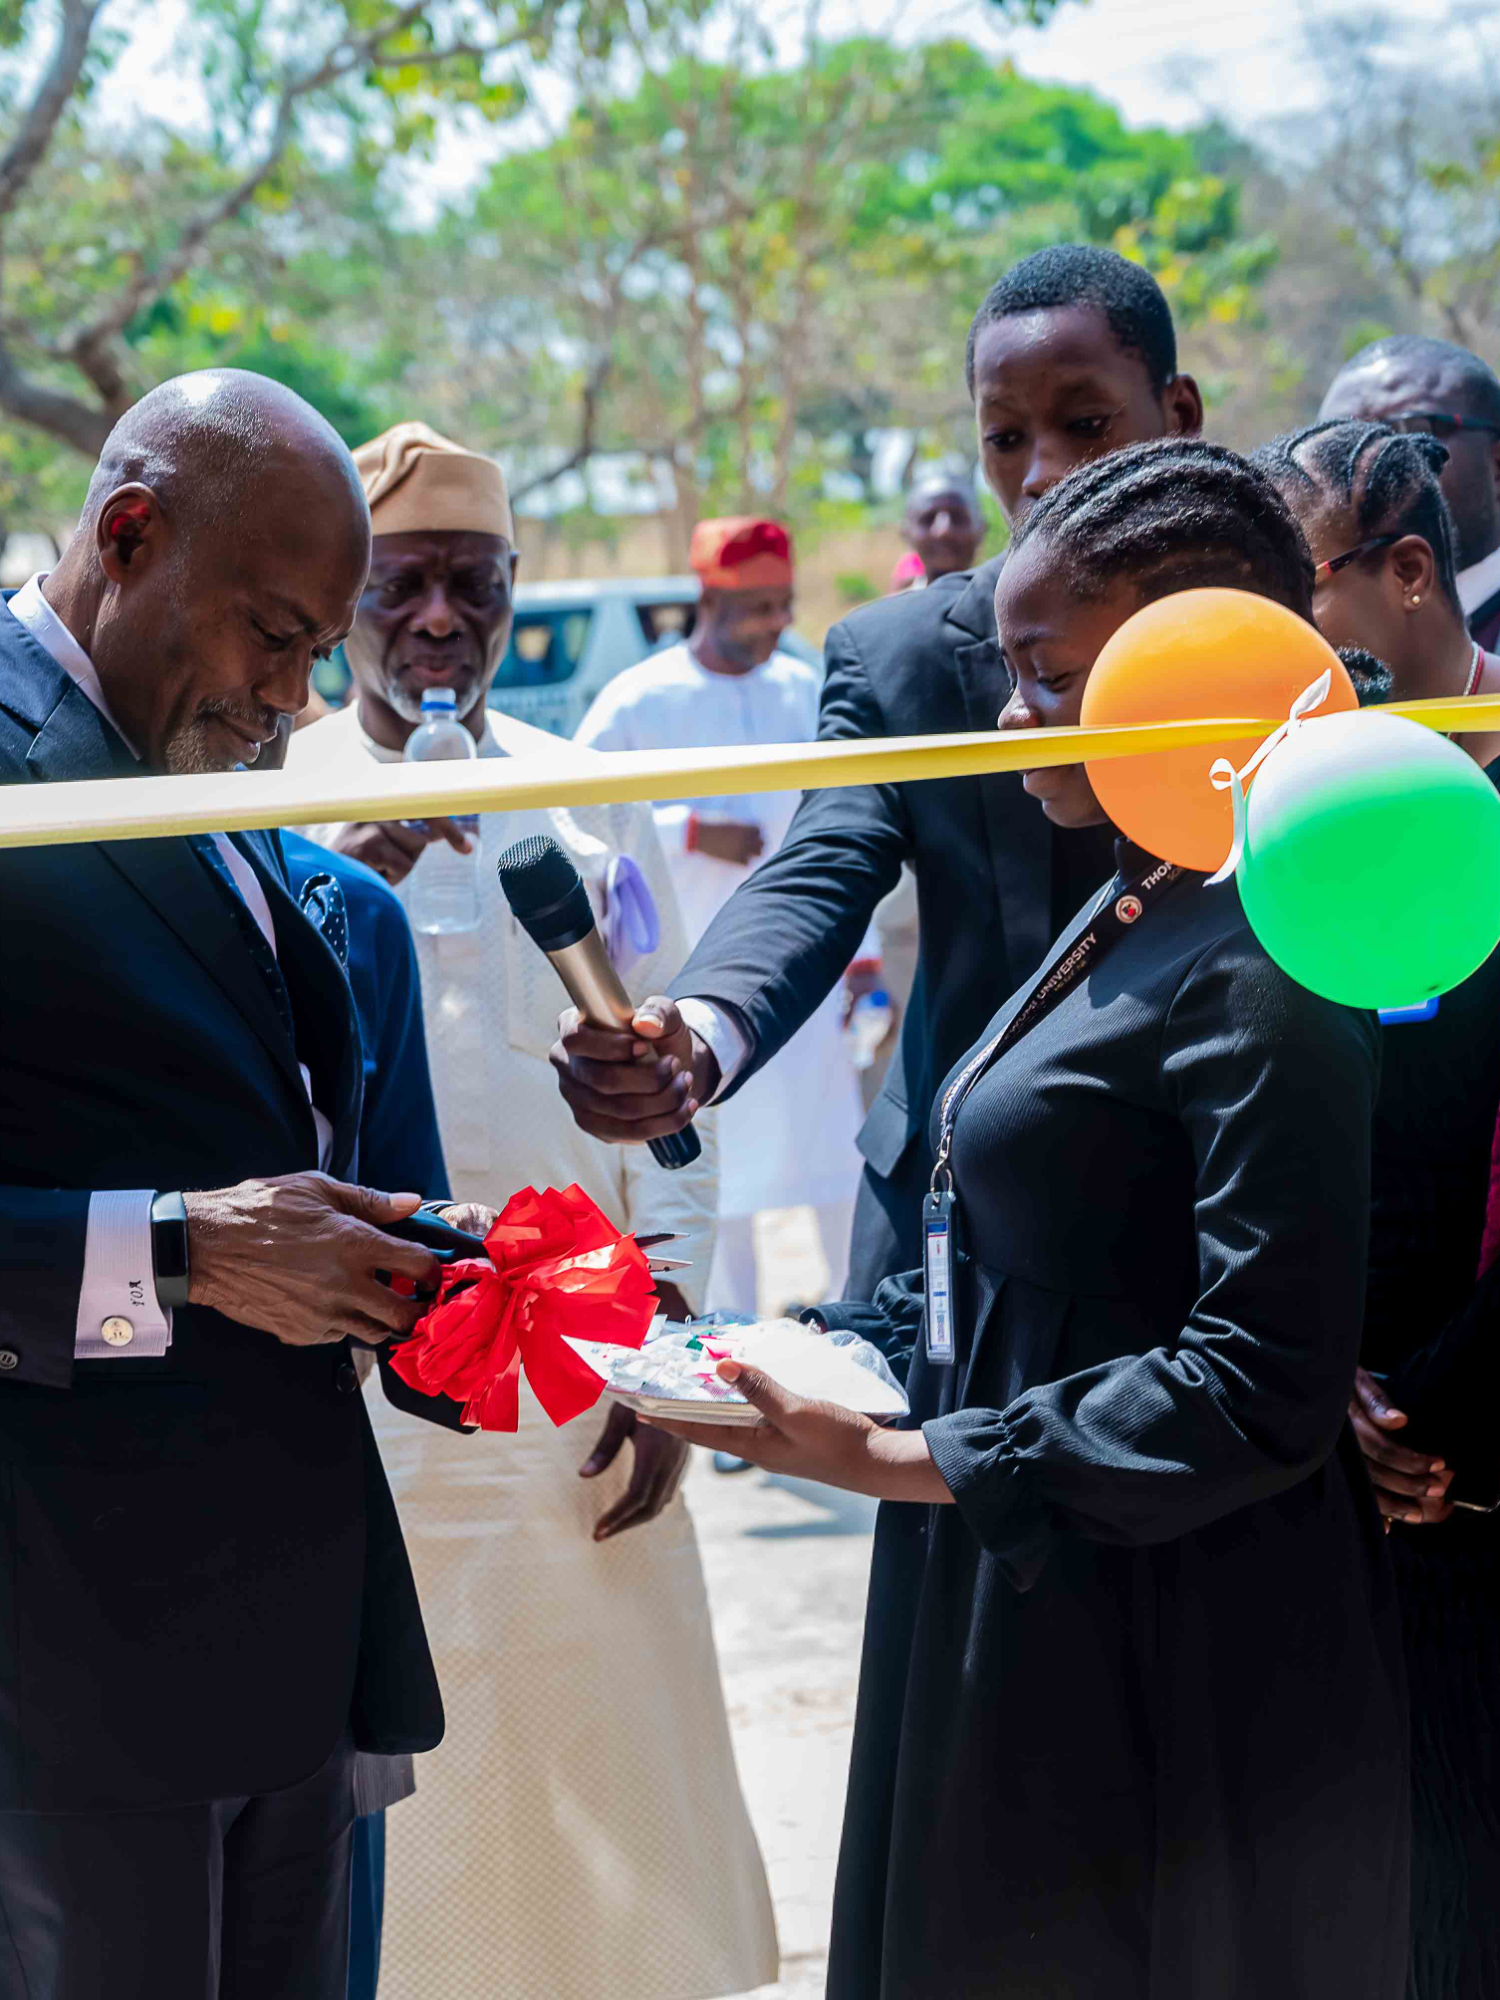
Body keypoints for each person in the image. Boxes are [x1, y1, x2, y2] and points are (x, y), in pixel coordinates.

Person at [640, 438, 1409, 2000]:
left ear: (1192, 665)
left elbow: (1258, 1382)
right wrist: (779, 1362)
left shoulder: (1267, 955)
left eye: (1047, 681)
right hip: (1022, 1580)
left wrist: (898, 1459)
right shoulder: (1131, 895)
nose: (1006, 724)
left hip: (1168, 1656)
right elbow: (1002, 1239)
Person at [285, 421, 778, 2000]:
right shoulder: (265, 786)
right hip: (354, 1391)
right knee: (394, 1816)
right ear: (344, 593)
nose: (441, 627)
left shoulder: (585, 795)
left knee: (607, 1787)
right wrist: (338, 874)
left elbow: (662, 1097)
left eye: (476, 591)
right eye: (405, 589)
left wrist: (673, 1353)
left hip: (578, 1391)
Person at [0, 371, 471, 1998]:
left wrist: (476, 1293)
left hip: (295, 1656)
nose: (297, 698)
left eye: (318, 654)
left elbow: (257, 1111)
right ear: (130, 534)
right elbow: (207, 1222)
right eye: (275, 636)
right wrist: (186, 1253)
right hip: (64, 1674)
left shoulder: (206, 758)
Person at [552, 244, 1203, 1299]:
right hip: (958, 1230)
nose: (1039, 471)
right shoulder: (898, 657)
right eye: (1005, 436)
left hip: (1212, 1208)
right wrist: (703, 1030)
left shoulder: (1276, 649)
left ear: (1178, 411)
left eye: (1086, 424)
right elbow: (822, 857)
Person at [1258, 416, 1500, 2000]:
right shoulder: (1300, 793)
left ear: (1409, 573)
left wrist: (1447, 1407)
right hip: (1338, 1423)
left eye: (1308, 600)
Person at [575, 514, 867, 1309]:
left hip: (801, 991)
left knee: (835, 1169)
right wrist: (691, 828)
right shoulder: (638, 699)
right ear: (708, 596)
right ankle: (734, 1380)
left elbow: (852, 823)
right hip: (688, 994)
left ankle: (856, 1345)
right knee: (723, 1184)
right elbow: (582, 826)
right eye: (757, 606)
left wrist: (863, 953)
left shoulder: (805, 689)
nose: (777, 622)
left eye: (784, 603)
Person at [1321, 336, 1500, 652]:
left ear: (1497, 463)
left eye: (1407, 432)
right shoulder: (1310, 648)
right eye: (1335, 446)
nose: (1364, 469)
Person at [893, 467, 985, 588]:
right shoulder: (895, 606)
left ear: (981, 529)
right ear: (905, 534)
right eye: (928, 518)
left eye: (957, 517)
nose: (944, 531)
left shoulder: (1009, 605)